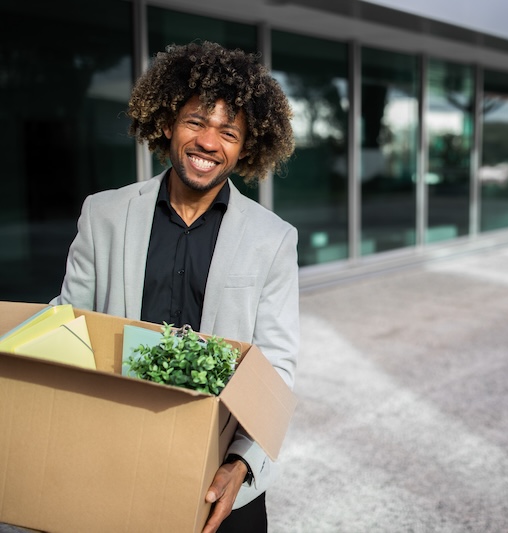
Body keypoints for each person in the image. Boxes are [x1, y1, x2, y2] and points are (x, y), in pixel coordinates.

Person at [51, 41, 298, 533]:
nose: (209, 142)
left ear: (245, 147)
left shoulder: (273, 239)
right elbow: (65, 325)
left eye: (228, 131)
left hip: (217, 476)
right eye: (196, 122)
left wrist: (242, 465)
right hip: (111, 460)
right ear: (166, 123)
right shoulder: (103, 216)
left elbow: (277, 367)